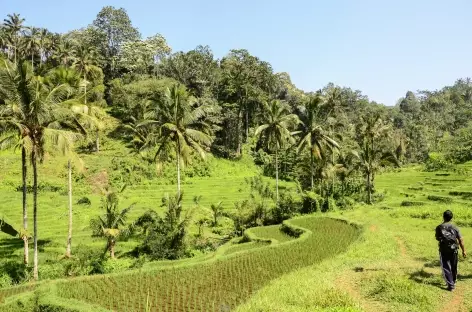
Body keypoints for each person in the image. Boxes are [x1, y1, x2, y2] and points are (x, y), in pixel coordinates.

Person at [435, 210, 467, 291]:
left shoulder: (439, 227)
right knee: (454, 265)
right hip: (454, 249)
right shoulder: (455, 227)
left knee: (446, 267)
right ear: (451, 218)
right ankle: (454, 281)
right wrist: (464, 250)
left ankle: (451, 285)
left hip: (443, 250)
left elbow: (437, 238)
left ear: (443, 217)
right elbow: (461, 240)